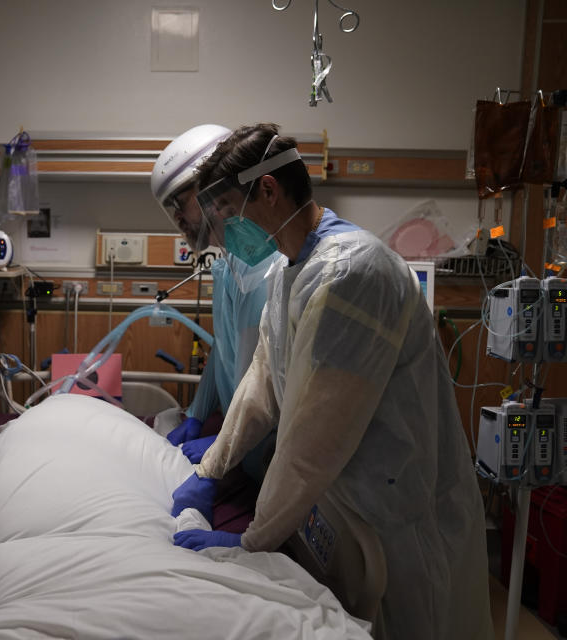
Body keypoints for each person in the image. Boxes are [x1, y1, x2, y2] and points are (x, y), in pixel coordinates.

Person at [170, 124, 492, 639]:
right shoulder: (292, 270)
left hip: (403, 528)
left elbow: (311, 439)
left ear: (269, 191)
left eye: (227, 213)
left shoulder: (351, 274)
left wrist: (252, 542)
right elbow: (262, 384)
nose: (221, 234)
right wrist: (211, 471)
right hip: (348, 514)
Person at [150, 124, 280, 481]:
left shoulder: (268, 270)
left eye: (180, 202)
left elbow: (263, 386)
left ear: (216, 185)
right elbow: (224, 349)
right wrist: (196, 413)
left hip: (267, 454)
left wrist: (223, 445)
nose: (177, 219)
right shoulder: (228, 265)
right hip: (243, 453)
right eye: (170, 208)